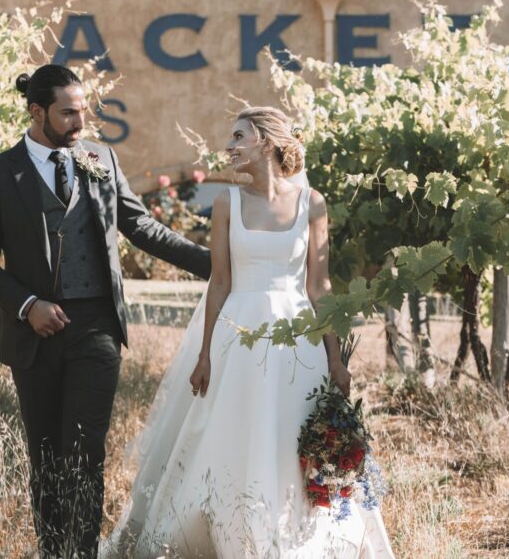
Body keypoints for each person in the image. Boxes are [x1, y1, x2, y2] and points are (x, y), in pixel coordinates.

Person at [103, 107, 394, 558]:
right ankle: (231, 530)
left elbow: (320, 286)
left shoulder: (312, 204)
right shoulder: (227, 203)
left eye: (239, 136)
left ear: (267, 141)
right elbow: (219, 282)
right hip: (237, 336)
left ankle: (301, 537)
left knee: (294, 433)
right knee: (231, 433)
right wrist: (204, 354)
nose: (230, 146)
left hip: (299, 340)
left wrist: (336, 358)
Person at [0, 64, 210, 558]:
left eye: (84, 110)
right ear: (37, 112)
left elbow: (142, 228)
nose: (81, 122)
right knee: (47, 455)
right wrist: (27, 305)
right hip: (34, 335)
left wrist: (215, 264)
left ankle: (83, 551)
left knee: (85, 451)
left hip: (96, 328)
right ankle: (53, 551)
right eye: (68, 112)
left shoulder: (101, 158)